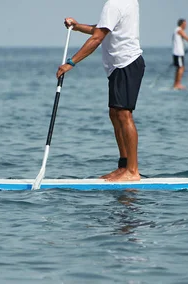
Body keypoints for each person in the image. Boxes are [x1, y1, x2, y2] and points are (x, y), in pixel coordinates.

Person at [57, 0, 145, 182]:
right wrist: (77, 26)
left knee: (124, 115)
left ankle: (133, 170)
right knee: (115, 113)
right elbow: (102, 29)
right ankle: (123, 166)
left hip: (126, 64)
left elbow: (97, 38)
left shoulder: (114, 4)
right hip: (118, 67)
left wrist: (70, 63)